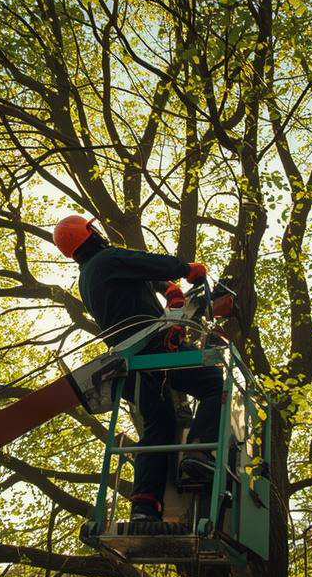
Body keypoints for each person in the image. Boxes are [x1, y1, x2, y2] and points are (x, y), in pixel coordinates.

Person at [54, 215, 222, 522]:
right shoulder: (108, 259)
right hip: (154, 350)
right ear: (90, 234)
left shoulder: (89, 275)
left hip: (130, 363)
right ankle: (199, 452)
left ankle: (144, 507)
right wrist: (186, 270)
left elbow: (140, 275)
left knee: (158, 425)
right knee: (213, 383)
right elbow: (147, 263)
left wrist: (169, 289)